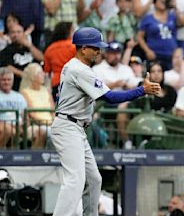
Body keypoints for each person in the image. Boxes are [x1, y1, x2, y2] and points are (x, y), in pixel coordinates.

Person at [51, 27, 161, 216]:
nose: (99, 51)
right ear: (83, 48)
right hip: (68, 127)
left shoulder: (75, 66)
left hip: (76, 127)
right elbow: (110, 98)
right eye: (95, 47)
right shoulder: (80, 69)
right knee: (75, 181)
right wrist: (141, 90)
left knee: (94, 179)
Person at [20, 63, 54, 149]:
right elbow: (32, 114)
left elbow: (53, 111)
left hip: (51, 124)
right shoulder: (25, 92)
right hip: (35, 124)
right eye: (40, 73)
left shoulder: (46, 91)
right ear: (33, 76)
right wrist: (47, 123)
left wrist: (54, 123)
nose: (43, 75)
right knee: (42, 131)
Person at [43, 21, 76, 100]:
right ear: (67, 32)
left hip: (57, 83)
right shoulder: (74, 47)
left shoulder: (49, 49)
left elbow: (47, 70)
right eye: (72, 31)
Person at [0, 67, 27, 148]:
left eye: (9, 79)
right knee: (8, 129)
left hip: (18, 126)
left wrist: (22, 125)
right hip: (3, 125)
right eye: (3, 80)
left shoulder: (19, 96)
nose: (6, 82)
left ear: (12, 81)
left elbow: (25, 115)